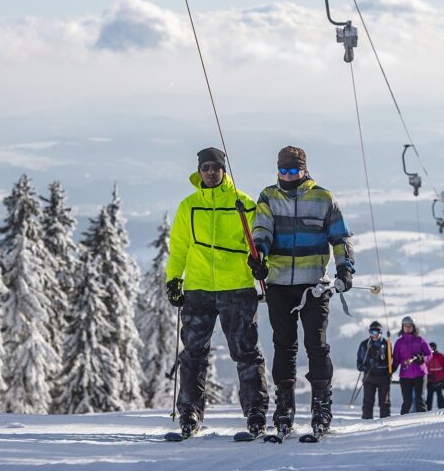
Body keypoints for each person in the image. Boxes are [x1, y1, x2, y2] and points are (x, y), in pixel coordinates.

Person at [249, 145, 355, 435]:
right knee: (284, 347)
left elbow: (340, 237)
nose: (287, 175)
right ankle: (284, 408)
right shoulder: (269, 196)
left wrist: (345, 268)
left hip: (313, 286)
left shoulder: (323, 197)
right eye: (282, 170)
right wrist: (258, 254)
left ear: (304, 169)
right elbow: (262, 229)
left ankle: (321, 407)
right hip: (279, 284)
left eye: (293, 170)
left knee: (316, 346)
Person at [165, 147, 269, 436]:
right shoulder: (188, 206)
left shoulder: (244, 205)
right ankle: (189, 413)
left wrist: (262, 265)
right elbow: (179, 247)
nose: (210, 172)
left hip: (236, 287)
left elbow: (259, 244)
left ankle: (256, 413)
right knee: (193, 354)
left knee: (245, 352)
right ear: (199, 171)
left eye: (215, 167)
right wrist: (174, 279)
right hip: (198, 289)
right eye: (205, 167)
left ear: (224, 170)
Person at [391, 316, 432, 415]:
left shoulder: (420, 340)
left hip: (420, 374)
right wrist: (392, 369)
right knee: (407, 401)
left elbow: (429, 354)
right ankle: (403, 423)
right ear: (402, 327)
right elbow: (396, 359)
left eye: (410, 326)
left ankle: (424, 421)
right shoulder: (399, 342)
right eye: (405, 326)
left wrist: (423, 359)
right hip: (405, 375)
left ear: (414, 327)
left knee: (419, 399)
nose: (408, 328)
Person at [356, 321, 392, 419]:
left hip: (383, 378)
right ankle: (366, 422)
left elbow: (390, 363)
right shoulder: (364, 345)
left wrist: (379, 365)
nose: (374, 335)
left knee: (384, 403)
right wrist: (364, 367)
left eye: (376, 332)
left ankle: (386, 422)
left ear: (381, 333)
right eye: (371, 332)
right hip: (369, 378)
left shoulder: (386, 344)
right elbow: (359, 362)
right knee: (368, 402)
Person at [426, 342, 444, 410]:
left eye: (432, 348)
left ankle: (441, 410)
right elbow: (425, 367)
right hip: (430, 380)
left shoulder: (440, 356)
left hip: (439, 380)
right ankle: (427, 410)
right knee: (429, 396)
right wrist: (428, 375)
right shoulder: (427, 357)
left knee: (440, 395)